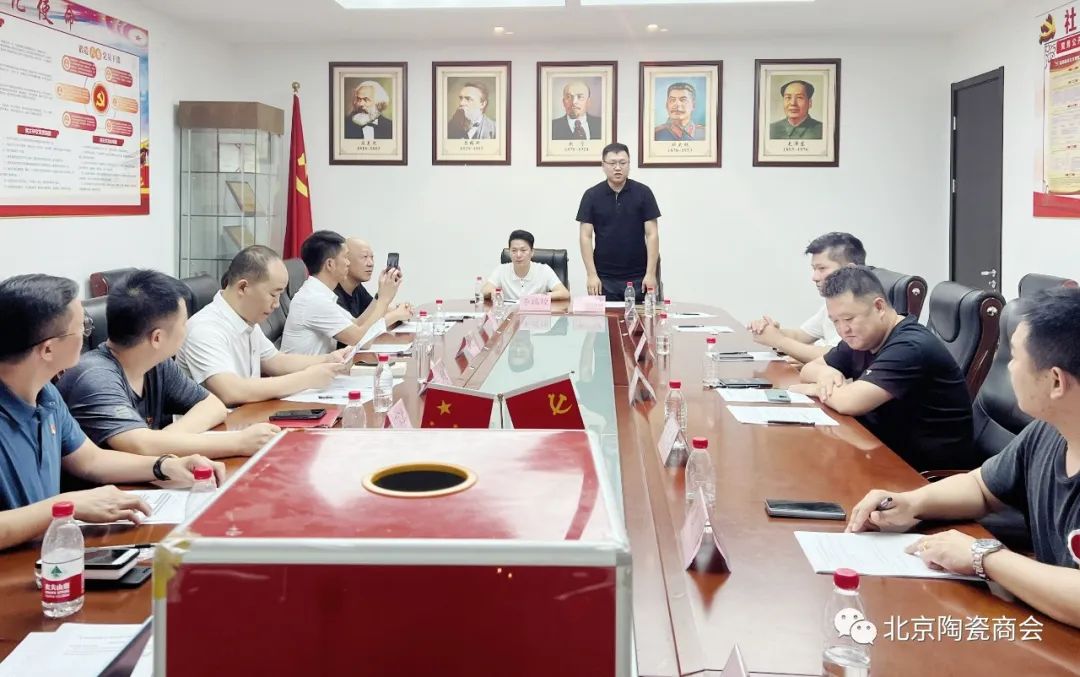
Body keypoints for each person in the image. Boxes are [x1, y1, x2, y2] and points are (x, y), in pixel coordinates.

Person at [846, 289, 1080, 629]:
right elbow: (981, 487)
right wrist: (912, 503)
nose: (1008, 368)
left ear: (1056, 381)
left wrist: (984, 557)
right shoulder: (1047, 432)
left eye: (1014, 357)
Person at [0, 274, 224, 551]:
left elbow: (91, 460)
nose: (88, 334)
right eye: (82, 327)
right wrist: (66, 506)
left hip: (48, 554)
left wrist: (164, 465)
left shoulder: (46, 395)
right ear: (48, 349)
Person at [57, 270, 279, 459]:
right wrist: (238, 442)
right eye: (183, 323)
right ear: (157, 338)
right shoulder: (95, 376)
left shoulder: (156, 364)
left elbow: (213, 406)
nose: (187, 329)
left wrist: (162, 440)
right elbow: (139, 445)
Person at [793, 266, 975, 472]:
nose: (843, 329)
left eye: (849, 319)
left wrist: (816, 388)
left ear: (879, 307)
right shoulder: (863, 337)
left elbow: (849, 402)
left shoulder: (910, 346)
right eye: (835, 321)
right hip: (882, 450)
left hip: (921, 473)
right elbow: (809, 369)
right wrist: (827, 373)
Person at [177, 246, 353, 407]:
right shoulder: (204, 329)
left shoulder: (246, 319)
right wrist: (307, 379)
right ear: (243, 287)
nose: (276, 304)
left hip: (248, 418)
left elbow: (275, 361)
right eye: (273, 295)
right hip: (217, 428)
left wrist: (329, 360)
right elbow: (231, 391)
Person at [747, 232, 866, 364]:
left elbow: (838, 356)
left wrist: (778, 340)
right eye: (814, 269)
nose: (814, 277)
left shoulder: (865, 305)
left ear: (850, 269)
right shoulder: (833, 302)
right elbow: (800, 335)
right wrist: (769, 331)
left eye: (822, 268)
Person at [282, 230, 403, 355]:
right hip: (311, 367)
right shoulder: (314, 300)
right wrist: (384, 300)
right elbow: (359, 340)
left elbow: (357, 323)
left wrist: (381, 294)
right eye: (345, 257)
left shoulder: (320, 293)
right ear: (330, 264)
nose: (348, 263)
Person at [577, 143, 661, 302]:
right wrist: (591, 275)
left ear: (629, 164)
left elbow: (652, 234)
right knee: (605, 318)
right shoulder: (591, 195)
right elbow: (585, 237)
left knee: (641, 318)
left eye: (622, 163)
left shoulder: (643, 193)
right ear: (603, 165)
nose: (617, 168)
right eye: (612, 163)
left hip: (639, 276)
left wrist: (651, 274)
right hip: (603, 278)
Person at [335, 238, 413, 323]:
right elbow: (357, 328)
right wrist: (396, 315)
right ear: (346, 259)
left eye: (372, 257)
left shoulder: (357, 288)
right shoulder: (333, 295)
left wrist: (399, 308)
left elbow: (374, 312)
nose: (371, 263)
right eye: (364, 257)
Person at [482, 229, 570, 302]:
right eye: (514, 250)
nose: (518, 255)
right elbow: (484, 290)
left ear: (532, 252)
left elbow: (564, 293)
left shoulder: (544, 270)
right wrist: (492, 292)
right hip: (510, 315)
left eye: (523, 250)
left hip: (535, 315)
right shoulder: (501, 270)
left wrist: (540, 298)